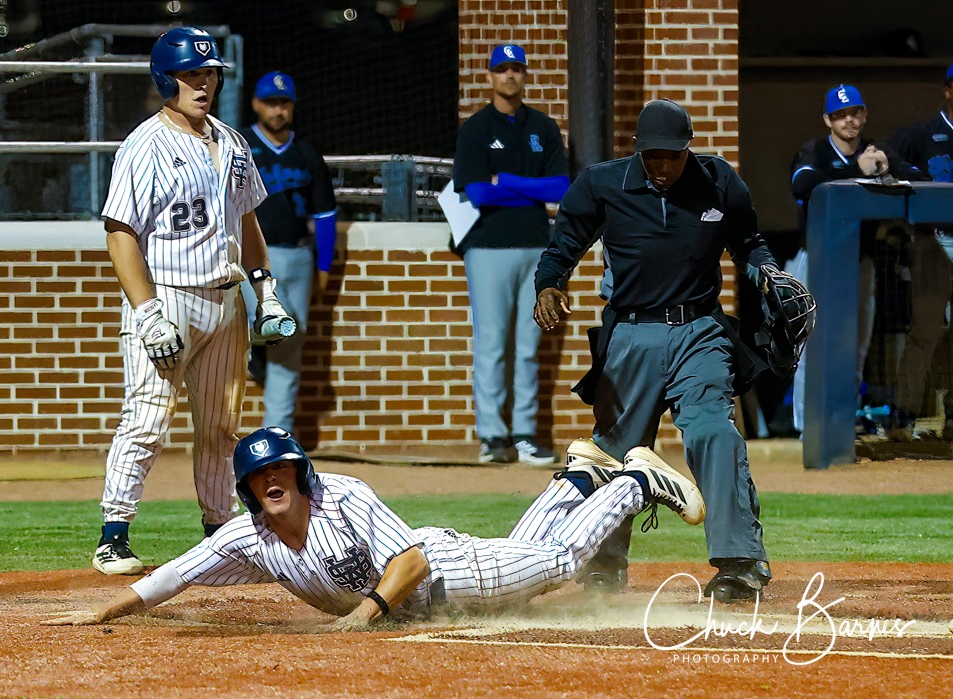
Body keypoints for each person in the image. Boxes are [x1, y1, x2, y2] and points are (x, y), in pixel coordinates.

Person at [43, 427, 705, 628]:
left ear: (299, 473)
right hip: (430, 601)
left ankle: (635, 480)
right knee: (531, 553)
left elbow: (412, 561)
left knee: (558, 561)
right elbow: (174, 574)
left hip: (447, 571)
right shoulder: (252, 539)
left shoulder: (345, 495)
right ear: (247, 489)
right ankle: (577, 478)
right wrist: (105, 611)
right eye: (258, 476)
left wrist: (363, 614)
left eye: (280, 469)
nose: (270, 480)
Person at [533, 99, 780, 603]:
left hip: (700, 330)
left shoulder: (718, 181)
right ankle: (603, 565)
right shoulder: (603, 183)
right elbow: (563, 246)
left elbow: (749, 243)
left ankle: (740, 563)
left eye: (673, 155)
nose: (663, 166)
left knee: (714, 430)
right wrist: (549, 285)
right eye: (653, 157)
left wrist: (768, 273)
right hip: (630, 331)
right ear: (637, 150)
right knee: (613, 449)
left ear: (688, 148)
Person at [94, 27, 295, 575]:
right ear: (167, 78)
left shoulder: (232, 141)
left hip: (225, 300)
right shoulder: (144, 144)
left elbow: (246, 221)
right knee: (148, 419)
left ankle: (220, 536)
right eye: (191, 75)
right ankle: (114, 535)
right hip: (170, 297)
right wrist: (147, 311)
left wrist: (265, 292)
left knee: (219, 426)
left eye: (210, 74)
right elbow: (120, 233)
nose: (203, 84)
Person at [452, 44, 570, 466]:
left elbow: (560, 189)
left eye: (516, 68)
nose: (510, 76)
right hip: (486, 246)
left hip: (538, 246)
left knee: (528, 345)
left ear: (524, 75)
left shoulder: (544, 126)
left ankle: (524, 434)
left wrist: (507, 181)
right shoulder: (476, 128)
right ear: (490, 77)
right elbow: (477, 191)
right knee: (492, 345)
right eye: (502, 69)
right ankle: (492, 436)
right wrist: (523, 188)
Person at [789, 84, 922, 435]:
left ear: (863, 114)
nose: (848, 120)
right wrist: (857, 172)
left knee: (856, 345)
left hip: (860, 261)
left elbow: (919, 180)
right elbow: (803, 184)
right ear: (827, 120)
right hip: (817, 258)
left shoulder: (875, 150)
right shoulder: (814, 150)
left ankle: (843, 422)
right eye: (839, 115)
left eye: (854, 112)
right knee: (811, 345)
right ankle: (808, 429)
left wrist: (884, 168)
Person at [237, 71, 338, 432]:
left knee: (290, 353)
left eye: (284, 103)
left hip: (298, 258)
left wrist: (323, 267)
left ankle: (279, 434)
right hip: (254, 257)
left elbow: (325, 215)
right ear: (256, 105)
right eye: (271, 102)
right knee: (275, 329)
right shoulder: (240, 147)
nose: (278, 110)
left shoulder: (306, 152)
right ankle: (256, 353)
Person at [885, 64, 953, 440]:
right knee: (926, 331)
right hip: (932, 240)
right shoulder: (921, 133)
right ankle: (904, 414)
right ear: (947, 90)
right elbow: (885, 158)